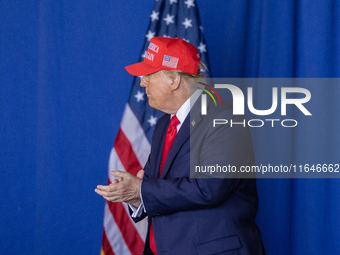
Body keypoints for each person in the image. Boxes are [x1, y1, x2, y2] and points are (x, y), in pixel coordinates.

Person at [95, 37, 266, 255]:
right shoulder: (164, 125)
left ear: (175, 79)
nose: (142, 82)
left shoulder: (225, 119)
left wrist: (141, 189)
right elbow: (153, 189)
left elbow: (209, 188)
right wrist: (135, 195)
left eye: (149, 74)